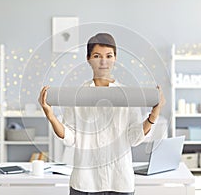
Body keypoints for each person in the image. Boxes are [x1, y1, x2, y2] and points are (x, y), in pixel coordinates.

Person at [38, 33, 165, 195]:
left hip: (120, 182)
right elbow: (70, 137)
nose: (103, 61)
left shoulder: (128, 95)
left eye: (109, 56)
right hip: (85, 183)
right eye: (97, 56)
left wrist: (155, 113)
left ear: (115, 58)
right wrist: (50, 115)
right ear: (88, 59)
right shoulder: (77, 96)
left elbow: (134, 138)